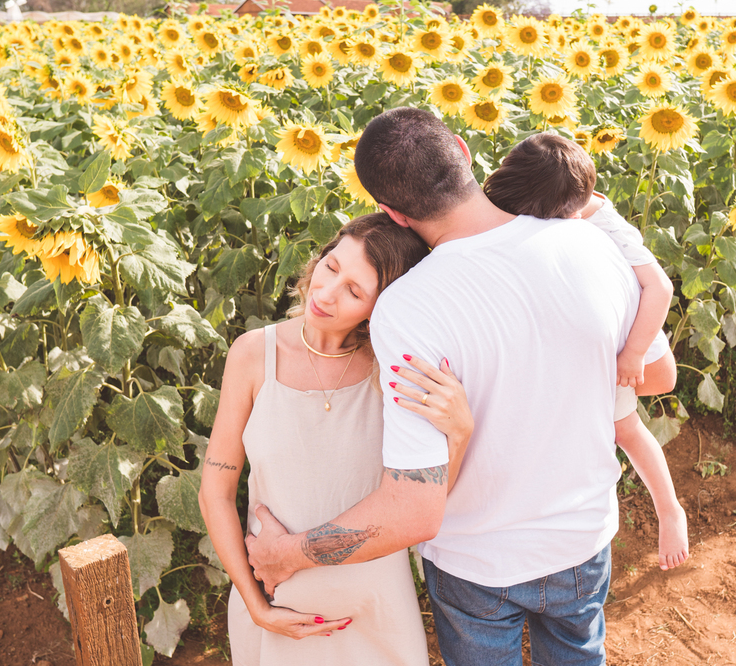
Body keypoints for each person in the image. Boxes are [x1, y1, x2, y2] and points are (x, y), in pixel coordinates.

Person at [246, 107, 679, 665]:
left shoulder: (406, 307)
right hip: (580, 541)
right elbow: (659, 377)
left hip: (477, 565)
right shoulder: (591, 246)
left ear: (391, 213)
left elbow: (415, 509)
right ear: (462, 149)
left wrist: (289, 554)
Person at [198, 212, 474, 666]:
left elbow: (427, 504)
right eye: (331, 267)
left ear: (380, 306)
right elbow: (215, 491)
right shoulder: (252, 354)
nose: (326, 294)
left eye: (355, 290)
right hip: (279, 621)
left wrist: (460, 433)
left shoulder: (394, 372)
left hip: (378, 617)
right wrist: (256, 607)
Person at [482, 131, 689, 572]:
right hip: (560, 337)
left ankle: (669, 509)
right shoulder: (516, 198)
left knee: (626, 429)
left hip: (618, 337)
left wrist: (632, 355)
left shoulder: (605, 223)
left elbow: (660, 286)